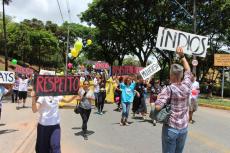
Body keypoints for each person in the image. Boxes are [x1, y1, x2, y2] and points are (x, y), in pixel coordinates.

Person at [155, 47, 192, 153]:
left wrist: (158, 99)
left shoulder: (168, 89)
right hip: (184, 128)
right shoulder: (187, 85)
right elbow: (188, 70)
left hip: (171, 128)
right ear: (181, 75)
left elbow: (158, 106)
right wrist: (182, 56)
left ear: (171, 75)